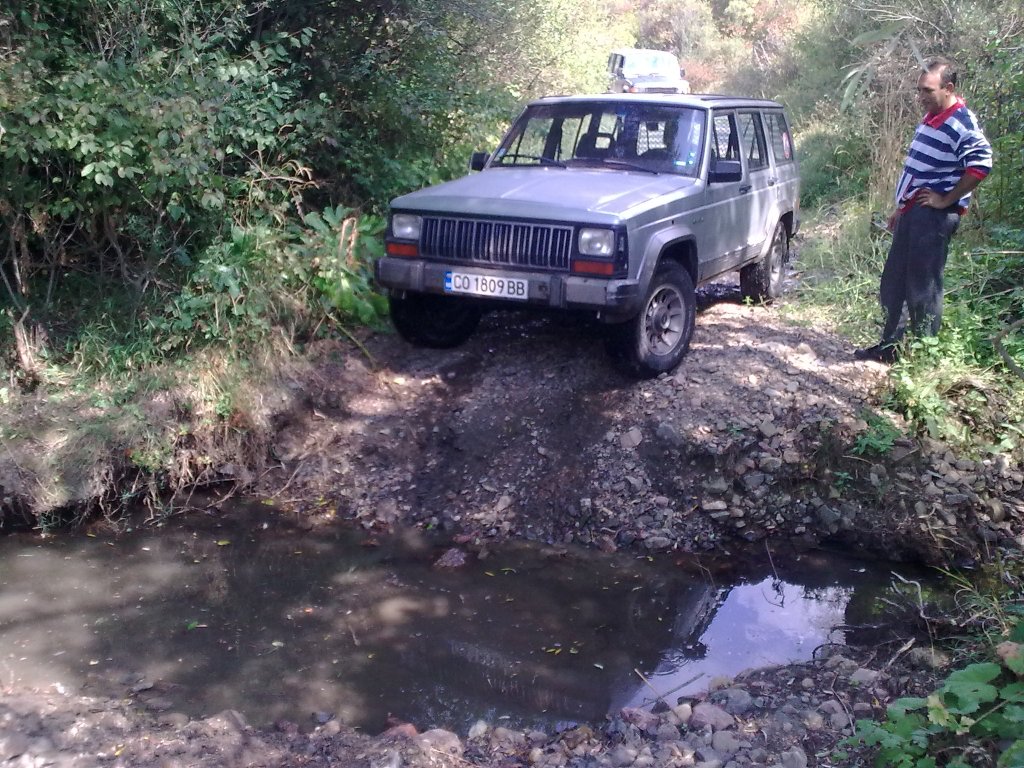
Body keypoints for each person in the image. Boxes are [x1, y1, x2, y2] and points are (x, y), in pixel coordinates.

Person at [855, 57, 992, 363]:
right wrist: (901, 207)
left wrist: (946, 200)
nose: (921, 96)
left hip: (934, 217)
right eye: (919, 90)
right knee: (895, 282)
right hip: (914, 211)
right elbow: (920, 170)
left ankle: (921, 358)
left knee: (923, 287)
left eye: (928, 90)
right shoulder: (932, 117)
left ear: (949, 88)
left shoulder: (961, 123)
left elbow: (981, 165)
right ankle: (891, 348)